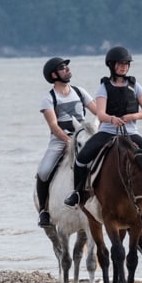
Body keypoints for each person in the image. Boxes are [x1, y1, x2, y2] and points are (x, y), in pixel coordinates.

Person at [62, 46, 142, 214]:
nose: (124, 66)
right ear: (111, 65)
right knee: (81, 158)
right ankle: (77, 193)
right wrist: (112, 119)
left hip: (131, 132)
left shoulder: (135, 86)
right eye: (120, 64)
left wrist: (133, 116)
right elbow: (100, 113)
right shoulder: (104, 87)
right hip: (108, 131)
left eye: (126, 64)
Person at [34, 56, 91, 228]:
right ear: (53, 75)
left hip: (83, 136)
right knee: (43, 171)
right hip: (60, 140)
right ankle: (44, 210)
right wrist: (68, 141)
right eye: (62, 67)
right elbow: (53, 124)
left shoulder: (79, 92)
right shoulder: (49, 98)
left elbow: (97, 110)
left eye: (67, 66)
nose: (67, 69)